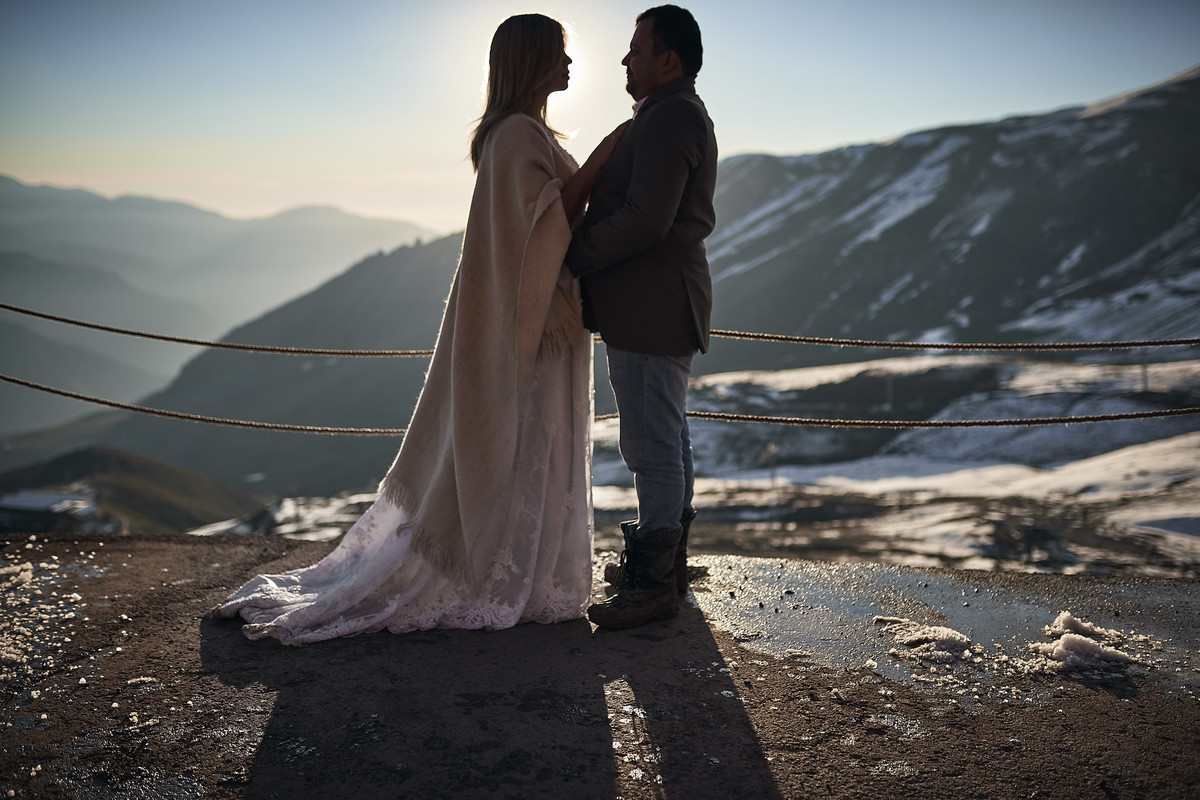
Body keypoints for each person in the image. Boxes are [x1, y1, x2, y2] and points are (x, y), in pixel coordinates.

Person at [211, 14, 628, 645]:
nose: (572, 65)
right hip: (534, 322)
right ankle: (503, 576)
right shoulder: (517, 134)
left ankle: (525, 573)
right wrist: (600, 160)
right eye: (561, 55)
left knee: (531, 449)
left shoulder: (523, 131)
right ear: (534, 59)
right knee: (526, 447)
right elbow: (541, 228)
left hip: (543, 316)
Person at [566, 5, 717, 630]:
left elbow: (648, 219)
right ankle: (667, 565)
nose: (625, 59)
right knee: (666, 436)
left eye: (635, 47)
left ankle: (653, 583)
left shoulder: (671, 115)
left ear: (667, 59)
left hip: (651, 305)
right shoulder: (670, 113)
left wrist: (571, 256)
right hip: (655, 303)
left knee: (650, 444)